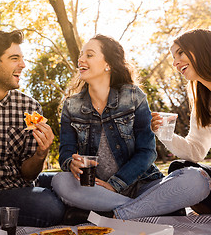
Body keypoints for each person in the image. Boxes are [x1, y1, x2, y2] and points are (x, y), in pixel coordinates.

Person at [51, 34, 211, 220]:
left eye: (90, 54)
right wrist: (71, 163)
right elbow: (196, 151)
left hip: (141, 185)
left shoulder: (133, 97)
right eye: (81, 55)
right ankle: (149, 207)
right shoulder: (71, 106)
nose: (175, 63)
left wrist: (115, 184)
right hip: (97, 187)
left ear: (108, 64)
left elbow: (147, 152)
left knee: (197, 179)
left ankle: (115, 214)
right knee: (60, 181)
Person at [0, 30, 65, 227]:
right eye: (14, 58)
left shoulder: (30, 107)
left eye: (22, 58)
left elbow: (28, 174)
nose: (23, 65)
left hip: (22, 187)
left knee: (68, 182)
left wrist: (41, 153)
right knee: (48, 205)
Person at [151, 28, 211, 214]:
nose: (176, 63)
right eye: (173, 58)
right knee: (180, 167)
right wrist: (162, 131)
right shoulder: (203, 102)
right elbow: (195, 152)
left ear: (201, 48)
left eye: (181, 53)